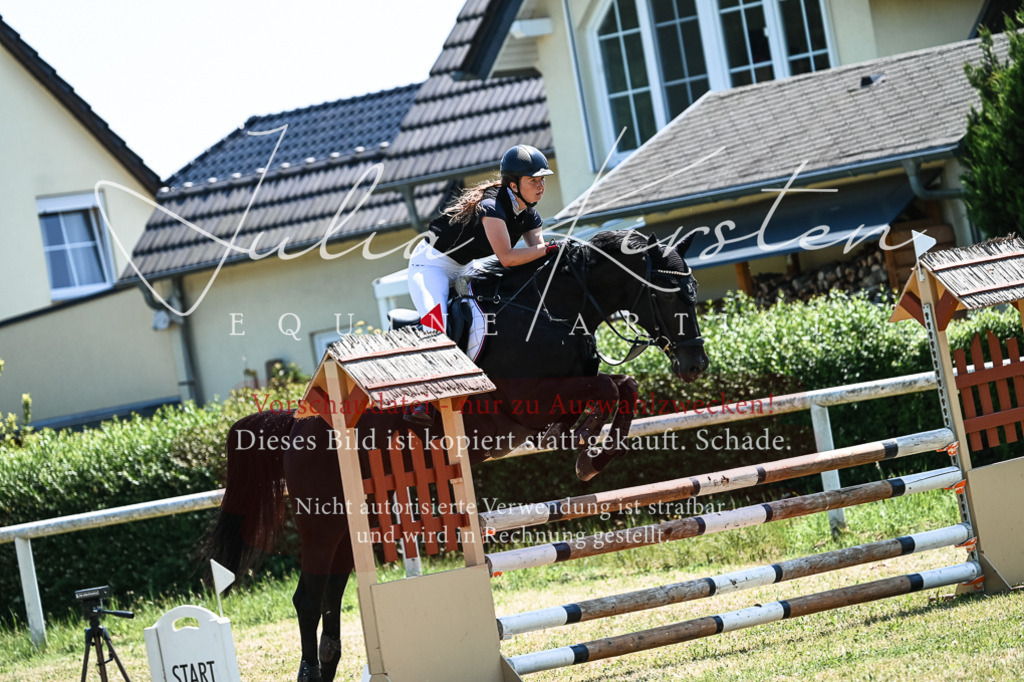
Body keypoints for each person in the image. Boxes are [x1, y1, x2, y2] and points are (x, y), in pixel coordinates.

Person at [407, 144, 559, 333]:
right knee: (437, 327)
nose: (541, 186)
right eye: (533, 180)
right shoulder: (491, 206)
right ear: (514, 185)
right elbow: (507, 258)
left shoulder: (529, 215)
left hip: (466, 267)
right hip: (431, 266)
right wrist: (551, 248)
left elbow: (538, 255)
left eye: (542, 179)